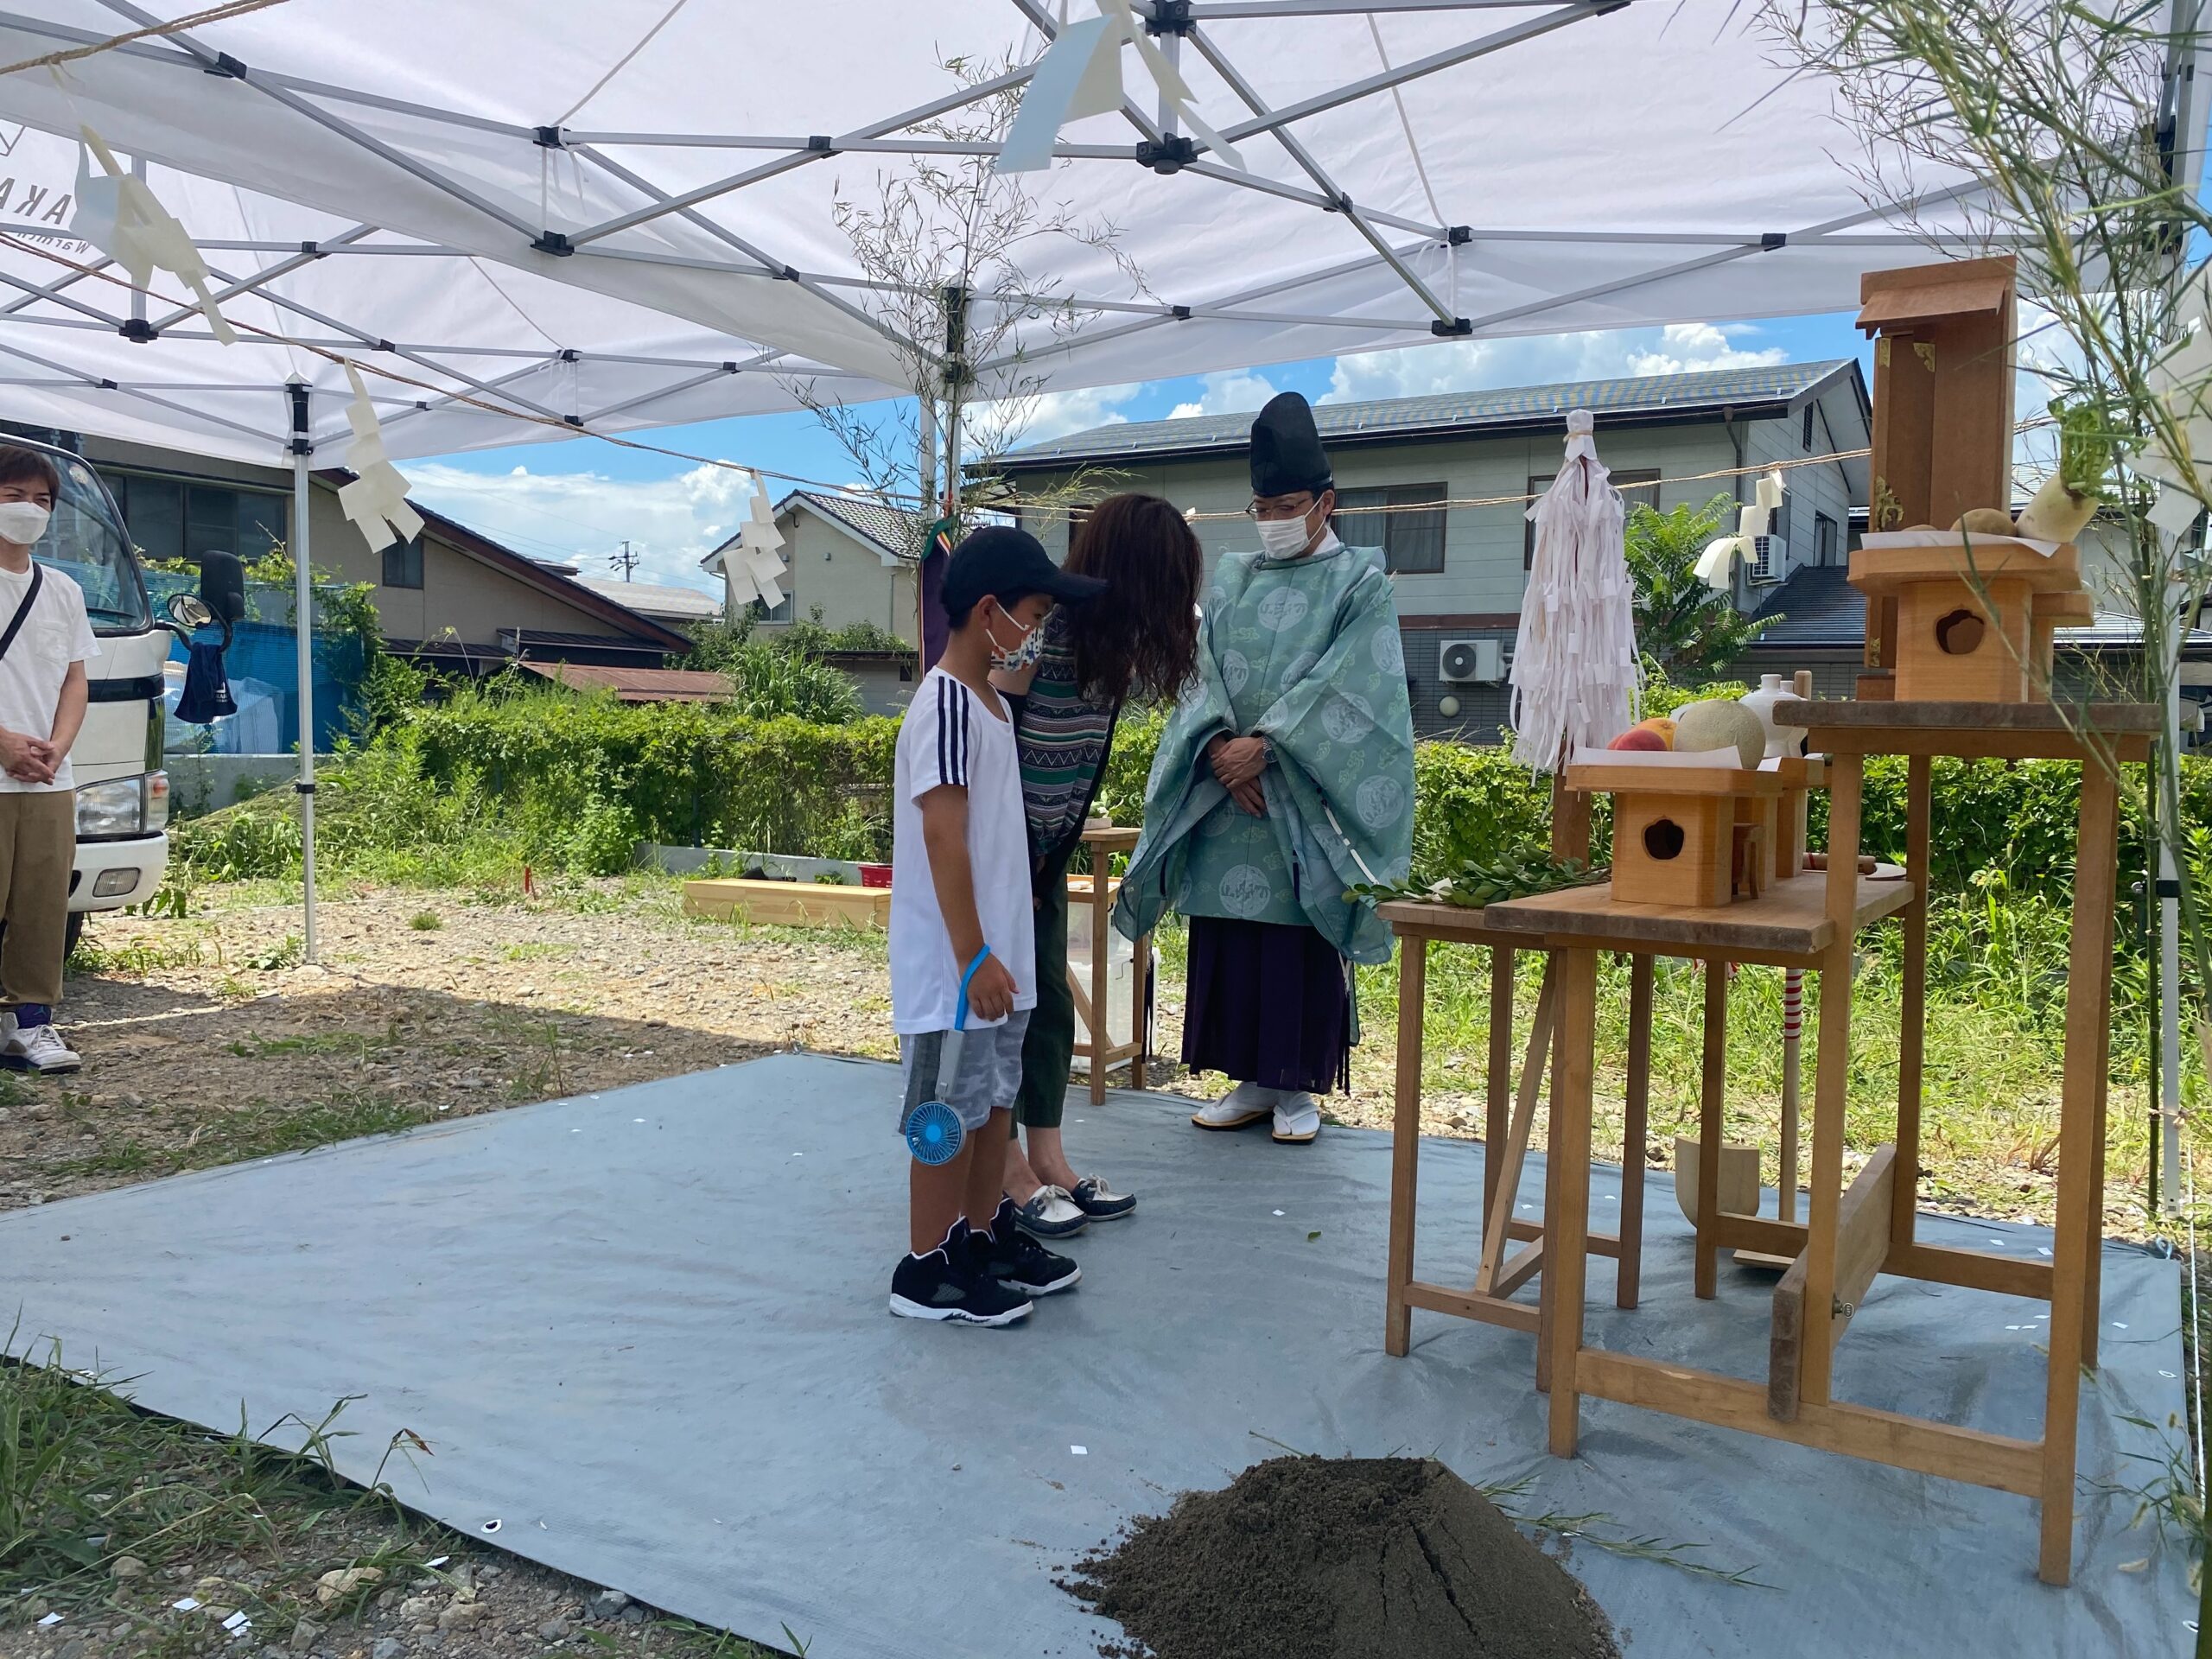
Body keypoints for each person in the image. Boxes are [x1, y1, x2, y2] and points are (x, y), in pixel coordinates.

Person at [1113, 393, 1414, 1144]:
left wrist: (1271, 747)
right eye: (1261, 506)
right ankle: (1246, 1079)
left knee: (1295, 932)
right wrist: (1218, 749)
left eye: (1287, 504)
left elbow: (1356, 685)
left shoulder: (1362, 582)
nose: (1273, 518)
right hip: (1224, 791)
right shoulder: (1237, 576)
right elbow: (1199, 667)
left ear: (1325, 503)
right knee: (1230, 935)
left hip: (1304, 795)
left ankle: (1296, 1089)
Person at [887, 525, 1106, 1324]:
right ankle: (925, 1265)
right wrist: (973, 953)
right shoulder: (943, 703)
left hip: (996, 966)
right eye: (1035, 614)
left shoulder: (991, 707)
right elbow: (944, 836)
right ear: (989, 613)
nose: (1038, 632)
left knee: (990, 1108)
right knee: (944, 1113)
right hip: (957, 970)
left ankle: (976, 1238)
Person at [993, 493, 1204, 1238]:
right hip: (993, 859)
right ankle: (1003, 1168)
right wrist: (1006, 871)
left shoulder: (1110, 658)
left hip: (1041, 861)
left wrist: (1046, 872)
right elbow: (993, 752)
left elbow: (1080, 772)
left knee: (1050, 1006)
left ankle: (1049, 1157)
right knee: (1003, 1016)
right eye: (1166, 586)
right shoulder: (1034, 631)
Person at [0, 444, 91, 1075]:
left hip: (48, 780)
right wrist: (2, 742)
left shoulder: (62, 590)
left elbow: (74, 680)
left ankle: (31, 1026)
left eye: (42, 500)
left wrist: (55, 747)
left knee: (41, 906)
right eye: (14, 496)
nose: (29, 510)